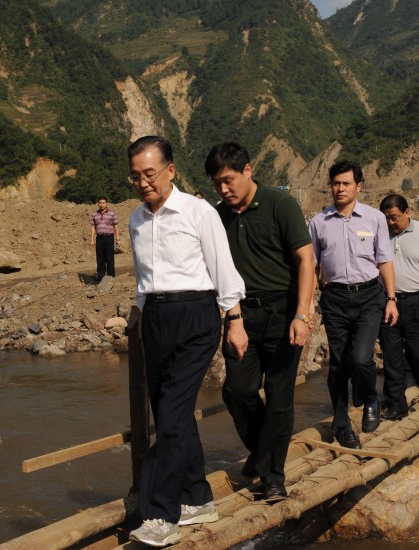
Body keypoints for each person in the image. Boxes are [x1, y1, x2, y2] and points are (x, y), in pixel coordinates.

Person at [127, 136, 248, 547]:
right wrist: (142, 315)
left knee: (173, 414)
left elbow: (223, 267)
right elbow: (142, 277)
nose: (144, 182)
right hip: (156, 318)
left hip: (196, 315)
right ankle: (197, 498)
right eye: (136, 176)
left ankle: (161, 515)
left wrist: (234, 320)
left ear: (170, 170)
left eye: (150, 173)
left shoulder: (199, 212)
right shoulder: (135, 220)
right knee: (169, 412)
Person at [205, 141, 315, 501]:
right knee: (236, 391)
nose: (224, 189)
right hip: (240, 314)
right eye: (217, 184)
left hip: (282, 311)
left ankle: (273, 476)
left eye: (229, 180)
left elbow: (306, 260)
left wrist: (302, 313)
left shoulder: (280, 204)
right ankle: (263, 450)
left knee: (280, 394)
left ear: (248, 170)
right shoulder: (218, 216)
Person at [309, 161, 398, 450]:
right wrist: (308, 303)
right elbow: (313, 267)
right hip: (335, 298)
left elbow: (384, 260)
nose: (340, 188)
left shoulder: (374, 218)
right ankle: (342, 422)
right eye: (336, 183)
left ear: (358, 186)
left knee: (361, 358)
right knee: (338, 364)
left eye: (346, 183)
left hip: (369, 296)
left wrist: (391, 299)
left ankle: (370, 398)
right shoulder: (319, 222)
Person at [379, 194, 419, 419]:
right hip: (387, 303)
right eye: (386, 218)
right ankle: (396, 406)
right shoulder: (381, 234)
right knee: (392, 357)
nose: (391, 222)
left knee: (416, 354)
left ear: (407, 212)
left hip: (416, 302)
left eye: (394, 217)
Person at [89, 196, 120, 281]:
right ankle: (100, 276)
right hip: (99, 238)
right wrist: (92, 240)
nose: (101, 204)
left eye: (103, 203)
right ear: (98, 204)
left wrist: (118, 239)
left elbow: (116, 226)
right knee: (100, 258)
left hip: (109, 238)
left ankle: (110, 277)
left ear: (106, 203)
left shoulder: (112, 214)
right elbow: (93, 227)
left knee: (110, 258)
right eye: (100, 203)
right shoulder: (94, 215)